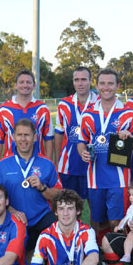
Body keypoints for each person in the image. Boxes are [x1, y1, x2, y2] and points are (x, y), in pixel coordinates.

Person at [77, 68, 133, 241]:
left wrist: (130, 139)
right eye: (103, 83)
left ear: (117, 86)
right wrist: (83, 153)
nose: (106, 87)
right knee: (97, 219)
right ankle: (99, 250)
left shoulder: (128, 113)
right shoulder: (88, 114)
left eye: (110, 83)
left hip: (119, 179)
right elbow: (81, 142)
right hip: (95, 177)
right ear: (97, 85)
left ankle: (114, 252)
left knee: (116, 220)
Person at [0, 118, 62, 251]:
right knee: (19, 259)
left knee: (61, 226)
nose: (23, 139)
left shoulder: (47, 163)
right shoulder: (2, 165)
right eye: (19, 135)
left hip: (42, 218)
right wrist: (12, 211)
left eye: (27, 135)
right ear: (13, 137)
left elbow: (59, 194)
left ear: (35, 137)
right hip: (14, 219)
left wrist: (42, 188)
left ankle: (52, 262)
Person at [0, 68, 54, 167]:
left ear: (34, 86)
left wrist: (48, 166)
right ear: (15, 85)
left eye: (28, 82)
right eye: (21, 82)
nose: (25, 85)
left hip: (37, 167)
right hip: (10, 166)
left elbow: (48, 140)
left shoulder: (43, 109)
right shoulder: (3, 110)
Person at [54, 66, 99, 201]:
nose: (80, 83)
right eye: (77, 80)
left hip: (94, 164)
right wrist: (57, 161)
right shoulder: (64, 104)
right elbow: (59, 134)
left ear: (90, 80)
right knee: (68, 206)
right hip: (68, 165)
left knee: (95, 210)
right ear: (73, 81)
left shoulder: (100, 102)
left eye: (84, 79)